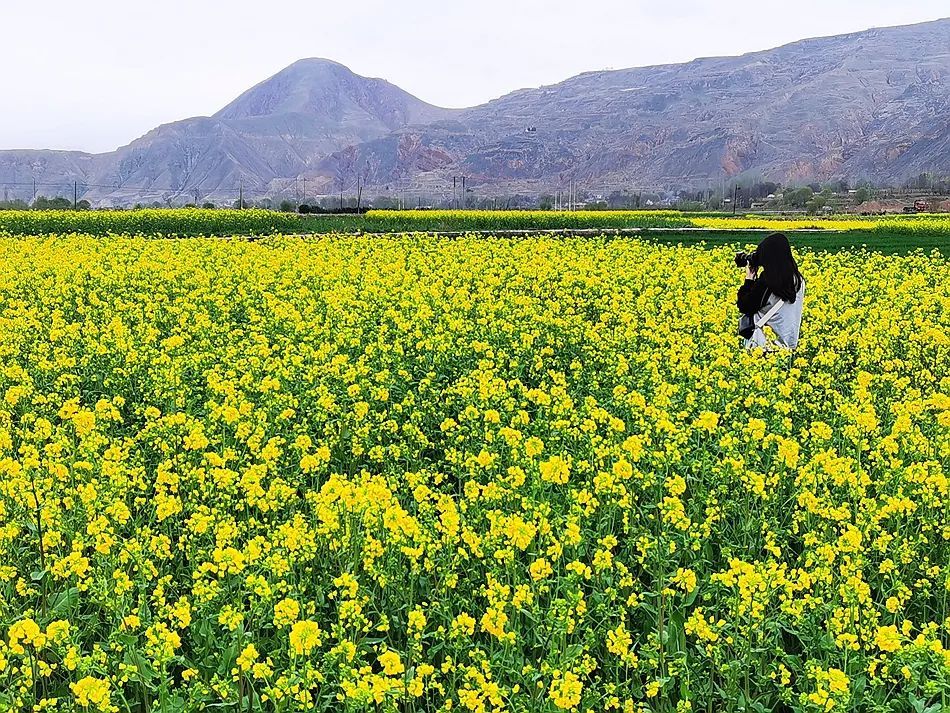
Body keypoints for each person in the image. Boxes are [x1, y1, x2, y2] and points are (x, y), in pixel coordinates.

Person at [736, 232, 805, 349]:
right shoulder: (798, 280)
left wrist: (749, 280)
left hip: (763, 346)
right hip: (788, 344)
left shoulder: (768, 282)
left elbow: (745, 306)